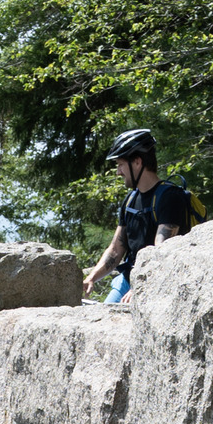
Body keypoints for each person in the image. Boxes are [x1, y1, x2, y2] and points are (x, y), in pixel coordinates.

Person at [84, 129, 162, 303]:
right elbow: (116, 249)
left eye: (120, 165)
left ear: (137, 162)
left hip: (156, 283)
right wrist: (91, 278)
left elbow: (162, 253)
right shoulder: (131, 200)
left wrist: (141, 288)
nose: (118, 172)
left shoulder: (169, 197)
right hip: (127, 281)